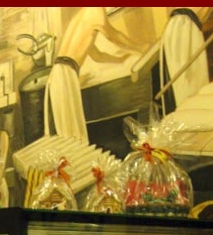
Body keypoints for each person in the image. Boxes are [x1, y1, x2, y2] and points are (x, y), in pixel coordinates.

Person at [44, 7, 143, 144]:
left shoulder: (82, 15)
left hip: (58, 74)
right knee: (72, 135)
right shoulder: (95, 9)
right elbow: (113, 35)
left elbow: (97, 56)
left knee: (67, 132)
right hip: (66, 74)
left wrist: (120, 59)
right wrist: (140, 48)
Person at [158, 7, 213, 114]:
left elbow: (200, 20)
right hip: (183, 29)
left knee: (188, 81)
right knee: (187, 81)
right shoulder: (184, 21)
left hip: (180, 28)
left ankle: (193, 113)